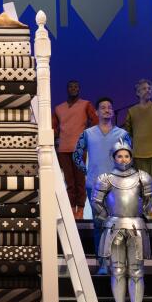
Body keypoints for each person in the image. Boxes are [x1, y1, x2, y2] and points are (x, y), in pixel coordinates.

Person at [92, 140, 152, 302]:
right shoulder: (105, 178)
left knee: (136, 271)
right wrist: (107, 217)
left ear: (131, 156)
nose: (123, 159)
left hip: (136, 226)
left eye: (126, 155)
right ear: (113, 157)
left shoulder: (143, 177)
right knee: (117, 270)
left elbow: (149, 202)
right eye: (119, 155)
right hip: (114, 226)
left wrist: (141, 213)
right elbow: (97, 202)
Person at [70, 96, 128, 270]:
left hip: (116, 186)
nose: (107, 110)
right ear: (96, 112)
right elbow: (76, 154)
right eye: (103, 107)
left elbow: (129, 158)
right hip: (94, 185)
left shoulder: (122, 134)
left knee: (117, 224)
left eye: (110, 107)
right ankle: (102, 262)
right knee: (99, 224)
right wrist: (86, 170)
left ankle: (117, 262)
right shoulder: (88, 133)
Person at [121, 79, 152, 219]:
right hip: (139, 153)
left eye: (149, 88)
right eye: (144, 88)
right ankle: (144, 209)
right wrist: (137, 140)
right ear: (138, 92)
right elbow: (128, 130)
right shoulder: (132, 111)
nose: (147, 90)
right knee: (143, 184)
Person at [53, 80, 99, 220]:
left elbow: (95, 121)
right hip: (64, 149)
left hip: (79, 149)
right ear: (67, 89)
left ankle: (81, 210)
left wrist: (88, 137)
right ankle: (71, 210)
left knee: (80, 182)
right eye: (71, 87)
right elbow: (53, 127)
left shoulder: (86, 104)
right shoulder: (59, 108)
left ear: (79, 89)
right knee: (69, 182)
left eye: (76, 87)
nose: (73, 89)